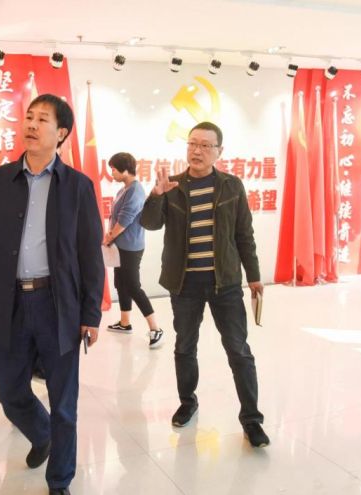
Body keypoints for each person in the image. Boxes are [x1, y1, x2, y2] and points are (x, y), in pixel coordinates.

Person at [0, 94, 104, 495]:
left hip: (57, 304)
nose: (30, 124)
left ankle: (60, 480)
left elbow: (90, 255)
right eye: (28, 117)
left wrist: (91, 314)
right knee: (9, 390)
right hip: (9, 303)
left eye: (42, 119)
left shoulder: (78, 186)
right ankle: (42, 434)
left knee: (64, 401)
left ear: (61, 133)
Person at [140, 121, 269, 448]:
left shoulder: (231, 186)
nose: (196, 151)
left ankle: (252, 419)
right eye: (192, 144)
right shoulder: (172, 186)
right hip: (184, 284)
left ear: (218, 151)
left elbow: (244, 234)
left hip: (225, 283)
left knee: (239, 350)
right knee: (185, 346)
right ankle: (188, 402)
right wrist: (155, 195)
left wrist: (254, 275)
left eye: (205, 145)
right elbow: (149, 223)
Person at [103, 152, 163, 348]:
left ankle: (155, 328)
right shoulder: (125, 189)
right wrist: (111, 238)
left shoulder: (135, 190)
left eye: (113, 169)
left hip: (130, 247)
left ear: (124, 170)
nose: (111, 173)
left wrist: (109, 237)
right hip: (120, 246)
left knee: (133, 286)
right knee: (121, 284)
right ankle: (125, 323)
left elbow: (125, 219)